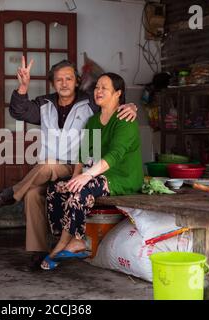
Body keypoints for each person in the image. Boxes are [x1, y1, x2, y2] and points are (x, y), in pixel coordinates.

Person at [0, 58, 138, 269]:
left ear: (77, 81)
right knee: (32, 194)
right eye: (58, 79)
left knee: (47, 165)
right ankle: (39, 252)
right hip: (54, 170)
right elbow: (18, 111)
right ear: (52, 83)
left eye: (69, 78)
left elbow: (111, 103)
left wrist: (130, 105)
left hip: (76, 167)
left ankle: (11, 193)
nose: (64, 83)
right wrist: (23, 86)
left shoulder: (90, 103)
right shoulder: (44, 104)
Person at [41, 72, 144, 270]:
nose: (98, 91)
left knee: (82, 188)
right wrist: (74, 178)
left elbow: (114, 156)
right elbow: (83, 154)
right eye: (97, 87)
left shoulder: (125, 119)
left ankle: (76, 241)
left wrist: (86, 176)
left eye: (104, 88)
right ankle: (62, 241)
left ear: (118, 93)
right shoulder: (94, 121)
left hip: (122, 177)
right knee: (56, 188)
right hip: (100, 174)